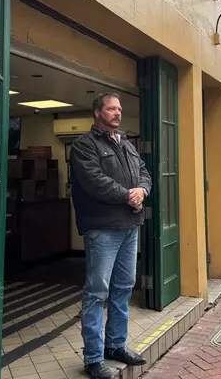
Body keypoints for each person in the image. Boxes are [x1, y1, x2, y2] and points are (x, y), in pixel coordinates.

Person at [70, 92, 152, 379]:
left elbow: (144, 173)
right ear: (97, 112)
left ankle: (116, 345)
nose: (117, 113)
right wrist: (129, 196)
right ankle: (93, 358)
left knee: (123, 288)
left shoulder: (127, 143)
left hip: (130, 227)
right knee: (96, 293)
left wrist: (142, 190)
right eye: (110, 109)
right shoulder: (84, 145)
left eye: (119, 109)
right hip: (102, 229)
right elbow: (94, 181)